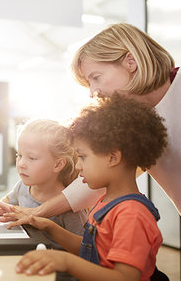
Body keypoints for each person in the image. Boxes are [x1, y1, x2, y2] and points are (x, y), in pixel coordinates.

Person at [0, 22, 181, 279]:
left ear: (130, 61)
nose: (93, 92)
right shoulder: (136, 124)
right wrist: (37, 213)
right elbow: (91, 183)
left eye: (96, 77)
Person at [16, 94, 168, 280]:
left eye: (83, 157)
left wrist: (66, 261)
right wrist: (48, 226)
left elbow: (125, 277)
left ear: (113, 158)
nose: (78, 166)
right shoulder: (108, 202)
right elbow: (92, 249)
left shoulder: (131, 214)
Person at [0, 119, 87, 239]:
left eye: (32, 158)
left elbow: (83, 247)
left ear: (58, 165)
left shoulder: (70, 208)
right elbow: (8, 201)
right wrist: (0, 208)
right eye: (19, 155)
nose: (21, 164)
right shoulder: (22, 187)